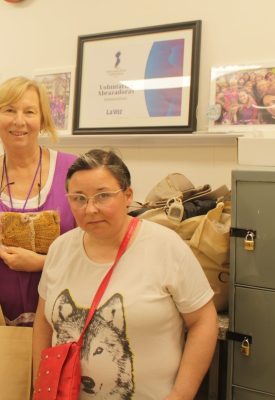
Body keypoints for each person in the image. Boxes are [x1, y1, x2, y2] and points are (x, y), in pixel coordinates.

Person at [32, 149, 218, 399]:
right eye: (79, 198)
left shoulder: (165, 246)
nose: (90, 209)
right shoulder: (60, 249)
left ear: (128, 196)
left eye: (103, 196)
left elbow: (203, 321)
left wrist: (181, 395)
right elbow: (44, 322)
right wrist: (41, 386)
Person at [0, 76, 76, 326]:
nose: (19, 121)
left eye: (30, 111)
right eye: (9, 110)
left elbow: (97, 247)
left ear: (42, 120)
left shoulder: (72, 172)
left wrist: (43, 263)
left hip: (57, 319)